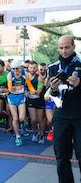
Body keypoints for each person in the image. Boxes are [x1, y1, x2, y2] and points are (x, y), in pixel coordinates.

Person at [48, 35, 81, 183]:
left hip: (80, 116)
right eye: (61, 48)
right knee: (61, 156)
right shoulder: (53, 67)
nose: (64, 51)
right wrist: (53, 90)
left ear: (74, 47)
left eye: (67, 47)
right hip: (61, 115)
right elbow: (54, 98)